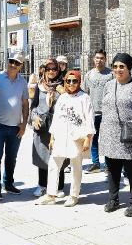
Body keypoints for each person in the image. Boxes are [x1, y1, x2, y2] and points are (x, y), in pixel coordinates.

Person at [99, 53, 132, 216]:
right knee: (112, 170)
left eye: (122, 66)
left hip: (131, 135)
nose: (118, 69)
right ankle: (113, 199)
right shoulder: (108, 85)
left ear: (129, 67)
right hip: (110, 133)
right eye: (115, 66)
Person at [36, 70, 95, 207]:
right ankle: (51, 194)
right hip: (61, 135)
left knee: (76, 166)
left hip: (77, 136)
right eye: (68, 81)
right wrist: (52, 137)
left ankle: (74, 195)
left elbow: (89, 119)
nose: (71, 83)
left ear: (79, 82)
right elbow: (56, 118)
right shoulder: (62, 98)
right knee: (54, 164)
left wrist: (88, 138)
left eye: (74, 81)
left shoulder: (84, 98)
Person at [0, 52, 29, 200]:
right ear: (8, 61)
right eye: (11, 61)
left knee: (12, 158)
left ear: (21, 65)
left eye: (17, 63)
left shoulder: (23, 82)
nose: (13, 65)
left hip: (15, 127)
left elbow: (25, 103)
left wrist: (24, 124)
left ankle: (8, 183)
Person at [29, 58, 68, 197]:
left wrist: (63, 91)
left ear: (58, 70)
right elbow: (33, 105)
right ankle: (42, 185)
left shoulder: (65, 84)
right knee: (42, 155)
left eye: (54, 69)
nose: (51, 72)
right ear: (44, 70)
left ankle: (59, 186)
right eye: (48, 69)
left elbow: (72, 102)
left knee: (59, 156)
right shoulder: (39, 86)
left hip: (59, 126)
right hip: (43, 125)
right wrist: (34, 117)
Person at [83, 49, 113, 173]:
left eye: (101, 58)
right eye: (97, 58)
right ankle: (95, 163)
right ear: (93, 59)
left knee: (107, 139)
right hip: (93, 112)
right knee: (93, 138)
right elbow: (84, 94)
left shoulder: (111, 74)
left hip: (107, 112)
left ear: (105, 59)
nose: (99, 60)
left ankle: (107, 164)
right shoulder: (88, 75)